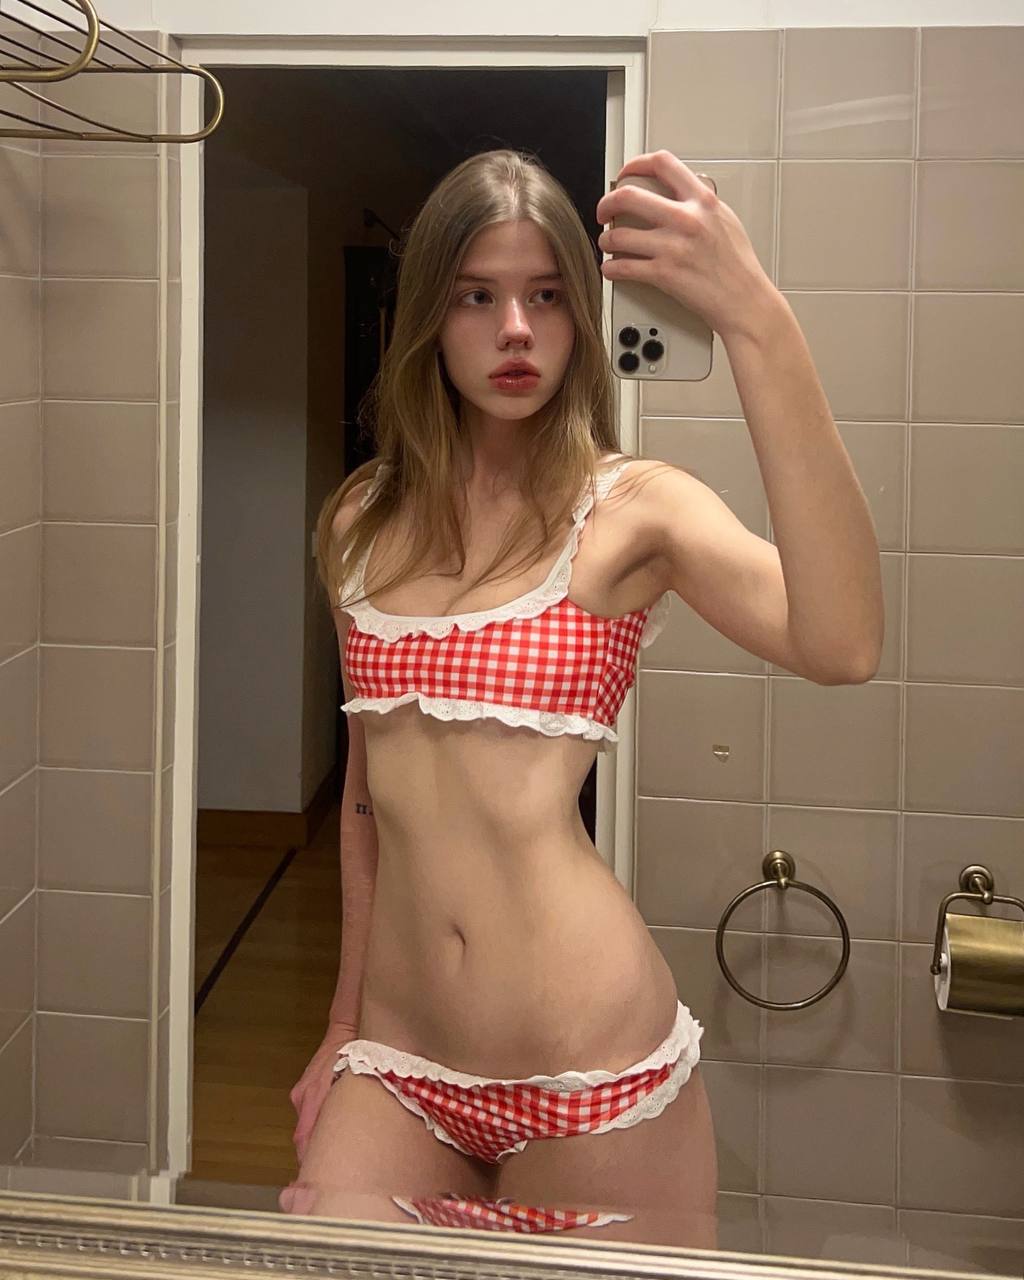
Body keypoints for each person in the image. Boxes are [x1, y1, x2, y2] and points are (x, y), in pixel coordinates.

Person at [280, 148, 883, 1244]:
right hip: (397, 1060)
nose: (516, 328)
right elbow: (368, 802)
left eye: (548, 295)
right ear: (428, 317)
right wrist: (337, 1024)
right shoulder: (359, 519)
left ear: (581, 317)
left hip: (589, 1068)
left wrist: (756, 320)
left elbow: (842, 643)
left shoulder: (633, 509)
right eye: (477, 295)